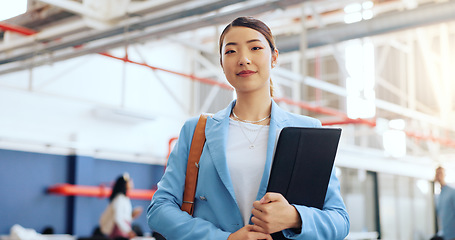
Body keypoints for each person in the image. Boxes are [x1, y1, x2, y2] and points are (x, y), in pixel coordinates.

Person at [147, 16, 350, 240]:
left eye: (255, 48)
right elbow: (159, 210)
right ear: (222, 64)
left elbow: (339, 220)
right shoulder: (196, 130)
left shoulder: (308, 130)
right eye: (231, 51)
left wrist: (295, 217)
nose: (243, 59)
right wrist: (226, 239)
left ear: (274, 57)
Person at [100, 173, 143, 240]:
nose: (132, 183)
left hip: (123, 232)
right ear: (124, 184)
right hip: (119, 234)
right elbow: (118, 218)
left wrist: (132, 216)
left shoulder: (125, 199)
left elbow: (124, 217)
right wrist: (129, 231)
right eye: (129, 182)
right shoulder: (119, 199)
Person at [435, 166, 455, 240]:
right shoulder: (439, 195)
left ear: (444, 175)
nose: (438, 176)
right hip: (444, 234)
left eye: (440, 173)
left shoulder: (452, 192)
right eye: (437, 174)